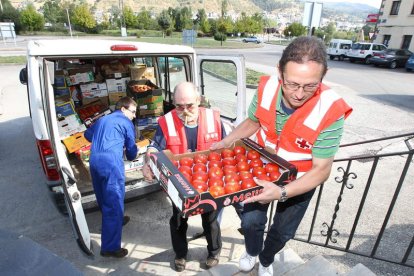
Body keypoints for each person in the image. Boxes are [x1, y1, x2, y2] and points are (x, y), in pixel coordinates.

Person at [210, 36, 353, 276]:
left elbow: (322, 169)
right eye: (292, 84)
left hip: (301, 179)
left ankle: (266, 260)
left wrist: (282, 192)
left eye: (310, 86)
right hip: (262, 167)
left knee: (283, 231)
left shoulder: (331, 110)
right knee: (251, 222)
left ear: (323, 76)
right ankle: (252, 251)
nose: (299, 94)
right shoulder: (266, 88)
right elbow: (253, 121)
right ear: (279, 72)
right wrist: (226, 141)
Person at [142, 82, 223, 272]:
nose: (184, 110)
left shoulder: (213, 118)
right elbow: (155, 146)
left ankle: (214, 252)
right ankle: (180, 254)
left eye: (190, 105)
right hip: (179, 180)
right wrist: (148, 161)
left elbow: (226, 145)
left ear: (199, 100)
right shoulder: (167, 121)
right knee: (178, 219)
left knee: (210, 218)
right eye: (179, 106)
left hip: (209, 178)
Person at [84, 96, 138, 258]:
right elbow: (131, 150)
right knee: (114, 202)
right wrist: (130, 154)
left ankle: (116, 221)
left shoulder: (103, 119)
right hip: (111, 163)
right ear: (123, 109)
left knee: (102, 195)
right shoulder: (126, 122)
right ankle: (110, 247)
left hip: (94, 161)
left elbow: (87, 135)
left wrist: (103, 139)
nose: (134, 116)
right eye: (133, 112)